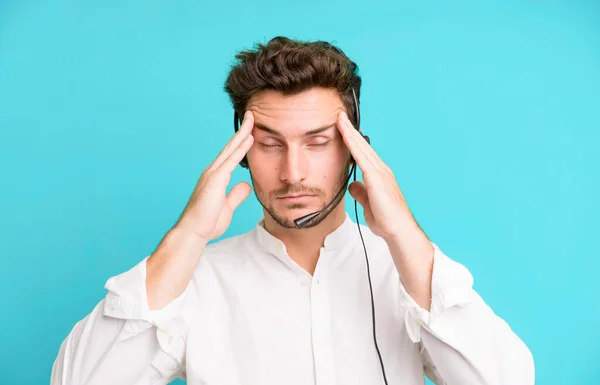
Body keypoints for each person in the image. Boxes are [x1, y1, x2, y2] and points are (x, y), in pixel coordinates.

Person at [51, 36, 534, 385]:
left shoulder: (407, 272)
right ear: (242, 154)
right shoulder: (191, 280)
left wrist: (405, 235)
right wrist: (187, 237)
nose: (293, 172)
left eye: (318, 142)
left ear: (354, 149)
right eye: (269, 144)